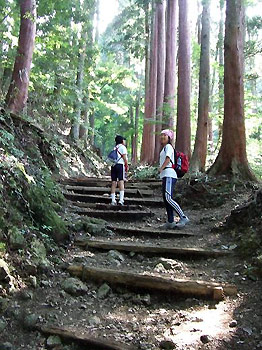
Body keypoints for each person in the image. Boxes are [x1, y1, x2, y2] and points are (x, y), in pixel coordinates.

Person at [159, 129, 189, 229]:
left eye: (165, 135)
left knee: (168, 198)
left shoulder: (168, 147)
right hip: (165, 175)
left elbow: (168, 159)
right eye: (161, 135)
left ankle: (183, 217)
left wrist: (161, 168)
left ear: (169, 138)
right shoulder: (164, 148)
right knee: (166, 199)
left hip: (169, 174)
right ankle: (170, 221)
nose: (162, 137)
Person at [110, 135, 128, 205]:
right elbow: (125, 158)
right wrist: (126, 165)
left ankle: (113, 200)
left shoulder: (114, 148)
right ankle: (121, 200)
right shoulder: (123, 147)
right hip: (120, 165)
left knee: (113, 182)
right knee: (121, 182)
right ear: (122, 141)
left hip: (113, 165)